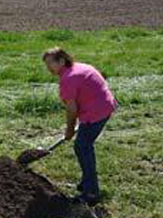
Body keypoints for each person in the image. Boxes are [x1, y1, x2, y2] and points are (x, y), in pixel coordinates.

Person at [43, 47, 117, 205]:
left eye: (51, 63)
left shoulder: (68, 79)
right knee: (83, 146)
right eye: (46, 64)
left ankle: (91, 193)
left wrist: (69, 130)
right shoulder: (80, 67)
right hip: (106, 105)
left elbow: (72, 109)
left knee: (83, 147)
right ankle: (86, 183)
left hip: (96, 113)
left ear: (62, 61)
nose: (48, 67)